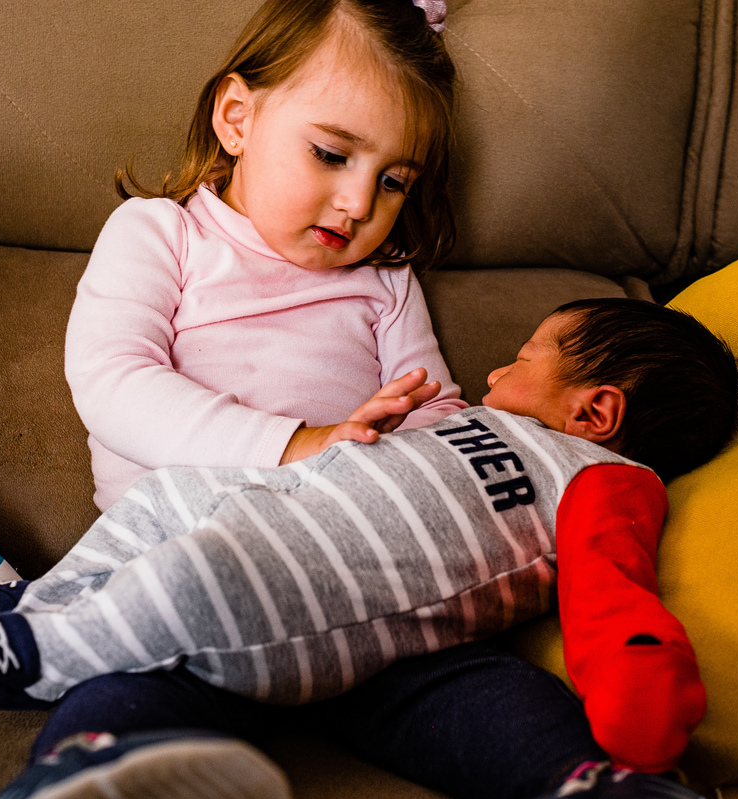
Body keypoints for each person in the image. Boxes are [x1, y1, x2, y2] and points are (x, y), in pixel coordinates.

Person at [0, 297, 738, 799]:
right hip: (286, 569)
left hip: (405, 637)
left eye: (526, 357)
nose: (498, 368)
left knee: (488, 698)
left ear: (595, 413)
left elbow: (611, 592)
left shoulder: (601, 476)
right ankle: (89, 752)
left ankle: (592, 786)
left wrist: (639, 703)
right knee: (167, 561)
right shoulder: (473, 423)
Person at [65, 0, 467, 514]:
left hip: (331, 524)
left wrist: (386, 455)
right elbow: (112, 384)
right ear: (237, 119)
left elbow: (436, 411)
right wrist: (297, 447)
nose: (360, 204)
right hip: (175, 527)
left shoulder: (386, 274)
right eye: (331, 155)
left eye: (393, 182)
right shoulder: (161, 233)